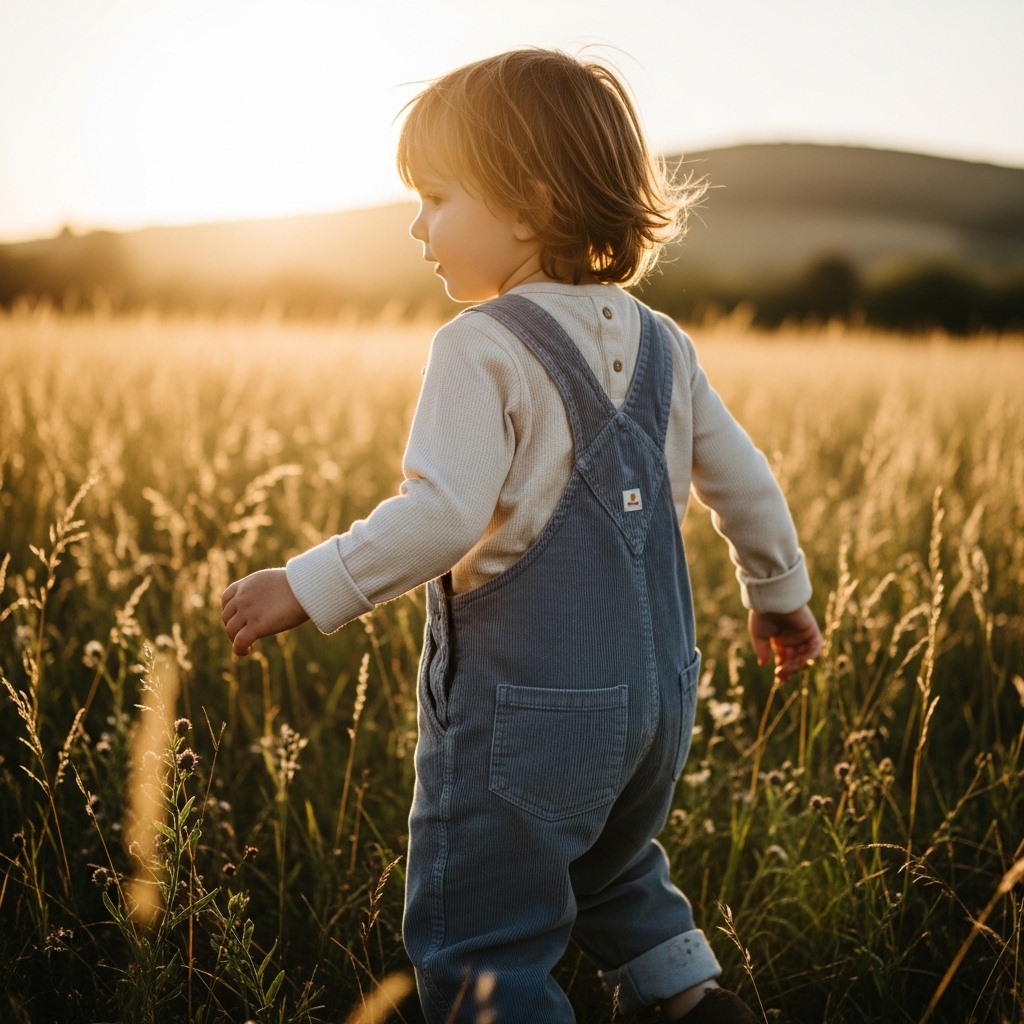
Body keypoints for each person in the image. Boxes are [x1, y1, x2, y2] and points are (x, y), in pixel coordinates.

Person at [220, 48, 823, 1024]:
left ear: (530, 207)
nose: (416, 226)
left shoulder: (480, 344)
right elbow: (745, 483)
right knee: (614, 866)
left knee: (481, 941)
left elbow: (443, 514)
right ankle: (691, 998)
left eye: (436, 197)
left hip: (526, 717)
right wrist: (779, 595)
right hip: (657, 706)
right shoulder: (666, 344)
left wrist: (306, 582)